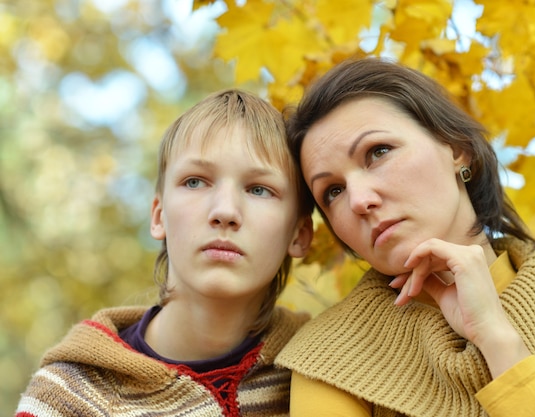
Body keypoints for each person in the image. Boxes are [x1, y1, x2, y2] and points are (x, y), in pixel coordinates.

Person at [275, 58, 535, 416]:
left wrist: (496, 339)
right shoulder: (328, 359)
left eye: (378, 152)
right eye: (333, 191)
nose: (360, 200)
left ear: (457, 149)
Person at [15, 89, 314, 417]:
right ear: (158, 216)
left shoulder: (321, 367)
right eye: (196, 182)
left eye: (259, 189)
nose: (225, 211)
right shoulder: (68, 397)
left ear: (299, 234)